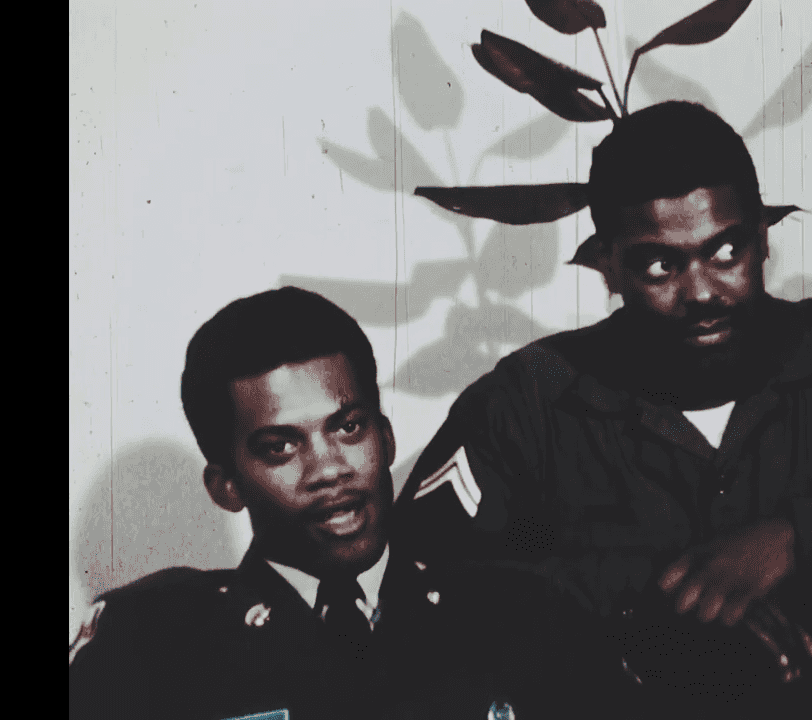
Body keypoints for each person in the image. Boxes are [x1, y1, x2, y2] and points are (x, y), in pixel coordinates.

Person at [393, 102, 812, 719]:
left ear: (763, 238)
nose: (700, 291)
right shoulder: (531, 398)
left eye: (726, 251)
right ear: (607, 264)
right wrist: (658, 586)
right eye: (660, 263)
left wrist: (805, 539)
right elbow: (421, 572)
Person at [69, 287, 634, 720]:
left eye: (347, 427)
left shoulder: (521, 612)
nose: (330, 469)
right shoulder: (151, 646)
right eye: (281, 446)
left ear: (385, 439)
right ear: (226, 486)